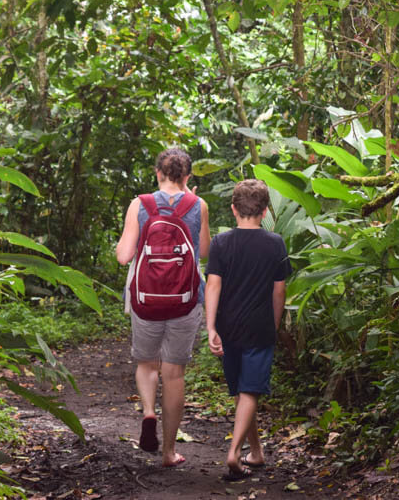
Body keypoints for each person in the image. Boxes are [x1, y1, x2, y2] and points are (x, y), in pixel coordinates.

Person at [115, 148, 210, 468]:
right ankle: (169, 452)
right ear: (187, 177)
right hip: (185, 302)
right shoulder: (198, 205)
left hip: (146, 301)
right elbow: (205, 251)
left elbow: (123, 256)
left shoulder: (139, 204)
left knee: (146, 363)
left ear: (158, 173)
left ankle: (148, 412)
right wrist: (193, 208)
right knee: (174, 374)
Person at [205, 179, 291, 481]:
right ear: (265, 211)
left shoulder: (220, 243)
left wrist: (210, 326)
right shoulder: (275, 243)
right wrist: (275, 324)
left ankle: (256, 452)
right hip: (259, 326)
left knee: (244, 391)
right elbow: (278, 292)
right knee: (250, 390)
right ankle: (234, 452)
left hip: (228, 327)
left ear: (233, 209)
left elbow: (213, 285)